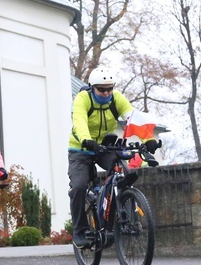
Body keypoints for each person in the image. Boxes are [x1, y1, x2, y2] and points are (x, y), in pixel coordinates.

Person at [68, 68, 160, 249]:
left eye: (109, 88)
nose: (106, 93)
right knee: (78, 186)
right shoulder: (82, 99)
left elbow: (133, 118)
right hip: (81, 148)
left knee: (122, 170)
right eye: (102, 89)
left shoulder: (116, 98)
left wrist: (148, 139)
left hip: (104, 147)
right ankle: (79, 230)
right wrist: (87, 140)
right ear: (92, 88)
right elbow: (79, 121)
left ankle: (116, 209)